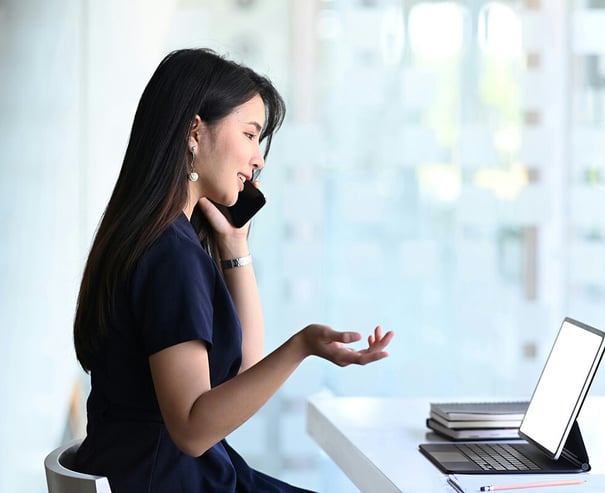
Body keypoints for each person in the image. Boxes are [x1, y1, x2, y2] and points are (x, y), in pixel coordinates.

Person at [72, 48, 394, 493]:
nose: (258, 159)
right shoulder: (171, 256)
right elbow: (191, 428)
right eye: (249, 134)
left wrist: (233, 243)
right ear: (194, 130)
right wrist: (302, 346)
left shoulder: (152, 239)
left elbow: (243, 371)